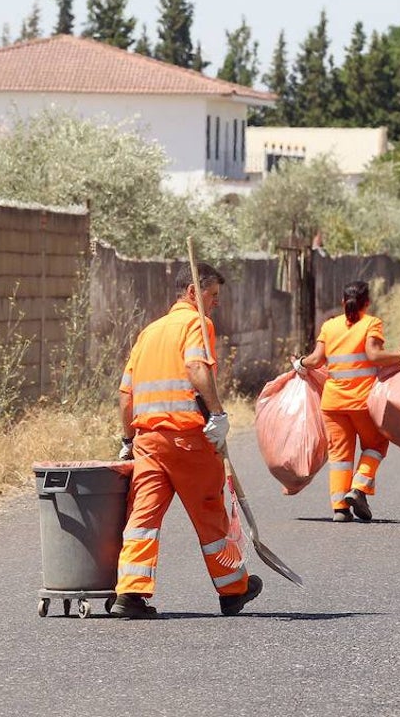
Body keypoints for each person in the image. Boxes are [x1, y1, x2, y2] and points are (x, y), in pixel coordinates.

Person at [112, 261, 263, 619]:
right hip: (187, 440)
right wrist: (218, 415)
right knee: (210, 512)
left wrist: (126, 438)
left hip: (148, 441)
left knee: (142, 517)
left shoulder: (149, 332)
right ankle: (232, 589)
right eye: (212, 295)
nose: (216, 303)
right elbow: (197, 369)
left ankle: (130, 593)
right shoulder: (198, 324)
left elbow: (125, 394)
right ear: (194, 292)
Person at [292, 280, 400, 523]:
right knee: (377, 443)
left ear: (343, 302)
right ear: (368, 302)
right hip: (362, 402)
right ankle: (359, 487)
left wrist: (300, 363)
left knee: (340, 455)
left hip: (332, 404)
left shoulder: (330, 326)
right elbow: (374, 355)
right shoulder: (371, 323)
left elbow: (317, 359)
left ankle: (340, 508)